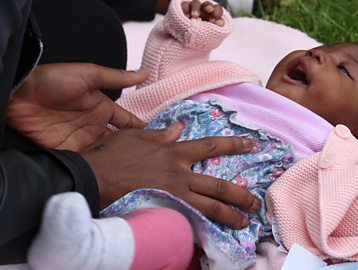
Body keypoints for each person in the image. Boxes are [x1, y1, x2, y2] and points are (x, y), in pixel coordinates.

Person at [20, 0, 358, 269]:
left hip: (202, 214)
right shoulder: (235, 83)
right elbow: (165, 76)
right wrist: (193, 32)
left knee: (168, 231)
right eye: (325, 50)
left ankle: (91, 252)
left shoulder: (333, 153)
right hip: (119, 161)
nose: (318, 53)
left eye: (342, 69)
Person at [0, 0, 261, 266]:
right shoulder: (233, 82)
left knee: (95, 30)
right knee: (171, 230)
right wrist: (87, 173)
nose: (307, 52)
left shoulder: (303, 148)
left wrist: (16, 95)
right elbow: (170, 75)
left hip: (187, 220)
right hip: (126, 189)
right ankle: (84, 249)